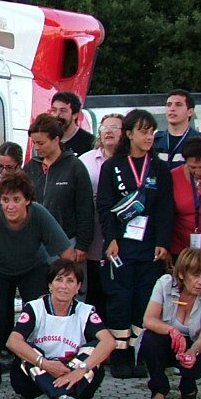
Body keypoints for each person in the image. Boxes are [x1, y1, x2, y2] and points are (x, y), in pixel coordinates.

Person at [0, 169, 74, 384]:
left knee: (38, 308)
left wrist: (61, 282)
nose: (10, 206)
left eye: (16, 200)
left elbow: (66, 253)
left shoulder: (39, 214)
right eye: (5, 200)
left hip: (32, 265)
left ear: (28, 200)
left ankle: (30, 358)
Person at [95, 109, 173, 379]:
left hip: (149, 245)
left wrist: (163, 241)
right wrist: (111, 238)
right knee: (120, 299)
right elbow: (104, 207)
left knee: (144, 299)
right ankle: (119, 357)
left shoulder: (160, 167)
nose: (148, 136)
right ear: (128, 134)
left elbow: (165, 208)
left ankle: (141, 354)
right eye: (143, 131)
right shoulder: (112, 166)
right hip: (121, 245)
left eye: (151, 131)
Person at [5, 258, 116, 399]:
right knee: (25, 351)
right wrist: (45, 364)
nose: (63, 286)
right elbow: (12, 341)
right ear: (50, 284)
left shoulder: (85, 311)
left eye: (70, 281)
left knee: (95, 349)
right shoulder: (35, 308)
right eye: (58, 279)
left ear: (78, 287)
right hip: (37, 375)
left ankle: (51, 398)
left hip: (72, 375)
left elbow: (109, 342)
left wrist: (80, 370)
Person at [141, 247, 201, 399]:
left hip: (193, 343)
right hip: (166, 340)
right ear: (182, 274)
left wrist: (193, 352)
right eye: (196, 275)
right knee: (150, 339)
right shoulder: (164, 284)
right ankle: (159, 388)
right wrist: (172, 330)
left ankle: (188, 382)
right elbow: (148, 320)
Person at [23, 113, 93, 264]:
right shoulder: (31, 167)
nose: (36, 147)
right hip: (34, 242)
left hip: (66, 241)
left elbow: (85, 209)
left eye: (41, 143)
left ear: (56, 139)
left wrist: (83, 245)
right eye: (34, 143)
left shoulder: (75, 167)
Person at [80, 113, 124, 296]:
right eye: (105, 127)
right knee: (94, 291)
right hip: (93, 237)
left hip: (121, 235)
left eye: (115, 127)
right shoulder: (84, 161)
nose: (109, 131)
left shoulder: (129, 162)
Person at [153, 89, 201, 167]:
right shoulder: (154, 140)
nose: (172, 109)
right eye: (169, 104)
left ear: (190, 112)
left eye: (178, 105)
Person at [49, 90, 95, 157]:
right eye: (54, 110)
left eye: (63, 111)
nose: (57, 115)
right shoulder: (46, 139)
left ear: (75, 115)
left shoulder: (89, 142)